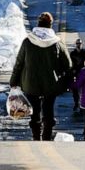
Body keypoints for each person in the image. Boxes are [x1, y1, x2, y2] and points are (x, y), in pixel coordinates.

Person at [10, 12, 73, 141]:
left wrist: (14, 81)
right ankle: (46, 137)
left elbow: (19, 63)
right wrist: (67, 82)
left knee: (35, 111)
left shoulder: (28, 42)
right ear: (51, 25)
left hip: (30, 84)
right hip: (51, 85)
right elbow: (68, 65)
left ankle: (36, 137)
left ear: (38, 23)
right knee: (48, 110)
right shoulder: (57, 43)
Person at [69, 38, 85, 111]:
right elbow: (70, 64)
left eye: (80, 43)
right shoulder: (72, 54)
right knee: (75, 90)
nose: (78, 45)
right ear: (76, 44)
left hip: (83, 73)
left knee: (83, 89)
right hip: (75, 73)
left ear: (82, 44)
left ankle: (82, 104)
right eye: (77, 44)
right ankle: (76, 103)